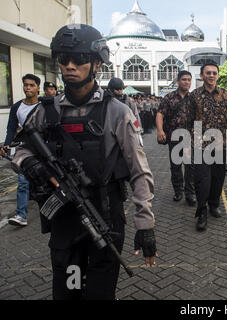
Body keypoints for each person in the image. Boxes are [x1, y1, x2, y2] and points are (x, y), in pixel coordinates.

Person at [10, 24, 157, 300]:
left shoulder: (116, 112)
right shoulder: (46, 111)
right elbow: (18, 148)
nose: (69, 66)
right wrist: (29, 164)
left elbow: (140, 172)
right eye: (64, 59)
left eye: (78, 59)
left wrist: (145, 225)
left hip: (105, 214)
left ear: (97, 64)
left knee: (100, 293)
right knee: (68, 290)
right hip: (65, 220)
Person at [187, 62, 227, 231]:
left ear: (217, 75)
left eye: (214, 73)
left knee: (218, 178)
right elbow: (189, 121)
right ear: (202, 75)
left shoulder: (225, 96)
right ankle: (201, 212)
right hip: (201, 146)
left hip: (221, 145)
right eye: (208, 73)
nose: (211, 75)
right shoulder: (194, 95)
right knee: (202, 180)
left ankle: (214, 204)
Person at [2, 74, 41, 227]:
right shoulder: (17, 107)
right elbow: (11, 127)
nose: (28, 88)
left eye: (31, 85)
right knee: (23, 181)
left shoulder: (43, 105)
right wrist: (6, 144)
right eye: (26, 85)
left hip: (43, 147)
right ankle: (21, 215)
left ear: (38, 87)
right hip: (24, 148)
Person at [156, 71, 196, 206]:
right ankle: (178, 191)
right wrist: (160, 130)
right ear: (178, 81)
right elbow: (160, 114)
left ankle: (190, 193)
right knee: (176, 166)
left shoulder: (194, 98)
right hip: (174, 137)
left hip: (190, 138)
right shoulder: (169, 98)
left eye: (189, 80)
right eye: (184, 79)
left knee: (190, 166)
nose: (187, 82)